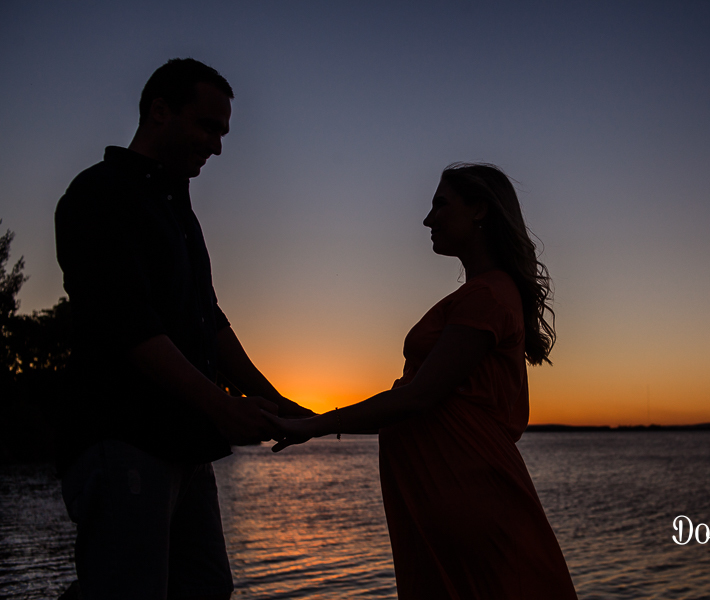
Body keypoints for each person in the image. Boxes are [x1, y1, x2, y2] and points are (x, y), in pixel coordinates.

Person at [54, 58, 312, 600]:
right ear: (160, 111)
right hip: (125, 438)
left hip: (187, 446)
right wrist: (223, 407)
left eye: (223, 133)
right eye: (208, 127)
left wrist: (274, 399)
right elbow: (128, 325)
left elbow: (208, 319)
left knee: (208, 588)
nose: (216, 146)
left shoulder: (178, 211)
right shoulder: (99, 193)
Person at [266, 163, 578, 599]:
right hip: (450, 490)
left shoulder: (487, 295)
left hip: (468, 491)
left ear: (479, 210)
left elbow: (418, 397)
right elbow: (424, 405)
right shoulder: (484, 293)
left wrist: (314, 425)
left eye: (440, 205)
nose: (428, 219)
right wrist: (313, 419)